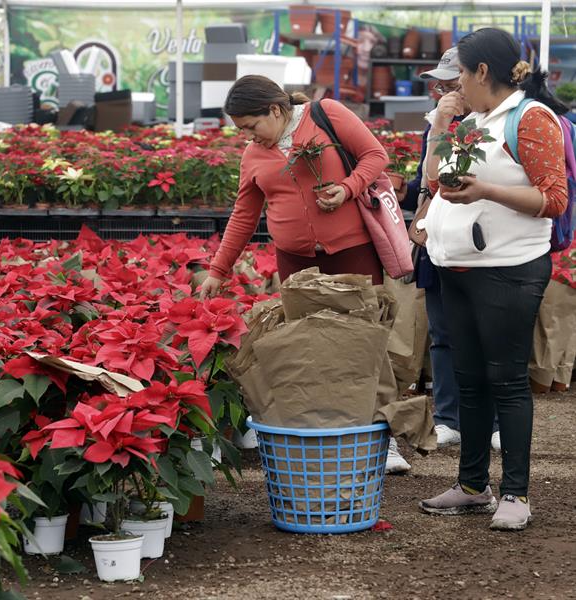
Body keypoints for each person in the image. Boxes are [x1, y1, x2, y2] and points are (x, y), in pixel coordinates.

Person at [197, 75, 411, 474]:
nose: (248, 136)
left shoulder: (326, 114)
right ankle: (326, 433)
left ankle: (384, 438)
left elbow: (375, 155)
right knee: (309, 348)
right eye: (240, 129)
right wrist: (218, 269)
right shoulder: (253, 155)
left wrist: (347, 188)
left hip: (353, 253)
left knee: (366, 343)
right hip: (297, 262)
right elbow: (244, 215)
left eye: (250, 126)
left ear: (275, 111)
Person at [418, 28, 569, 531]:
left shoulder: (531, 118)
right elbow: (437, 175)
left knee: (506, 381)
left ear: (482, 72)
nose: (454, 83)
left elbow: (554, 199)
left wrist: (485, 190)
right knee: (470, 381)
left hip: (508, 269)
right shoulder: (474, 119)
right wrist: (442, 123)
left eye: (460, 72)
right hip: (458, 267)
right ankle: (471, 485)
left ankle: (517, 494)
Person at [404, 48, 502, 452]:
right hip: (441, 239)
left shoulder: (497, 123)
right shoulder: (439, 123)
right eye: (440, 82)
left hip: (485, 241)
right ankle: (448, 417)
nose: (444, 88)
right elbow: (430, 178)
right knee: (443, 334)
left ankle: (493, 420)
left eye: (451, 80)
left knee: (488, 335)